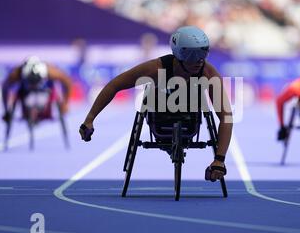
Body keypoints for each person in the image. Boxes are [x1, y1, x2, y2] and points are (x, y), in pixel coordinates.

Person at [79, 26, 232, 181]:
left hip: (190, 123)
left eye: (203, 53)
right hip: (158, 121)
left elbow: (226, 116)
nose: (199, 60)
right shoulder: (155, 68)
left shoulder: (208, 73)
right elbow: (114, 85)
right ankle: (168, 144)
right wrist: (89, 120)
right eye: (192, 54)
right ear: (178, 53)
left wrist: (219, 159)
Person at [1, 55, 72, 123]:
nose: (34, 85)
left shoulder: (50, 71)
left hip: (46, 90)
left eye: (35, 81)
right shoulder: (16, 73)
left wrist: (65, 103)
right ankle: (29, 113)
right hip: (26, 91)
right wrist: (6, 110)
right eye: (32, 81)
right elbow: (5, 88)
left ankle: (43, 112)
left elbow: (67, 81)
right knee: (21, 94)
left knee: (52, 91)